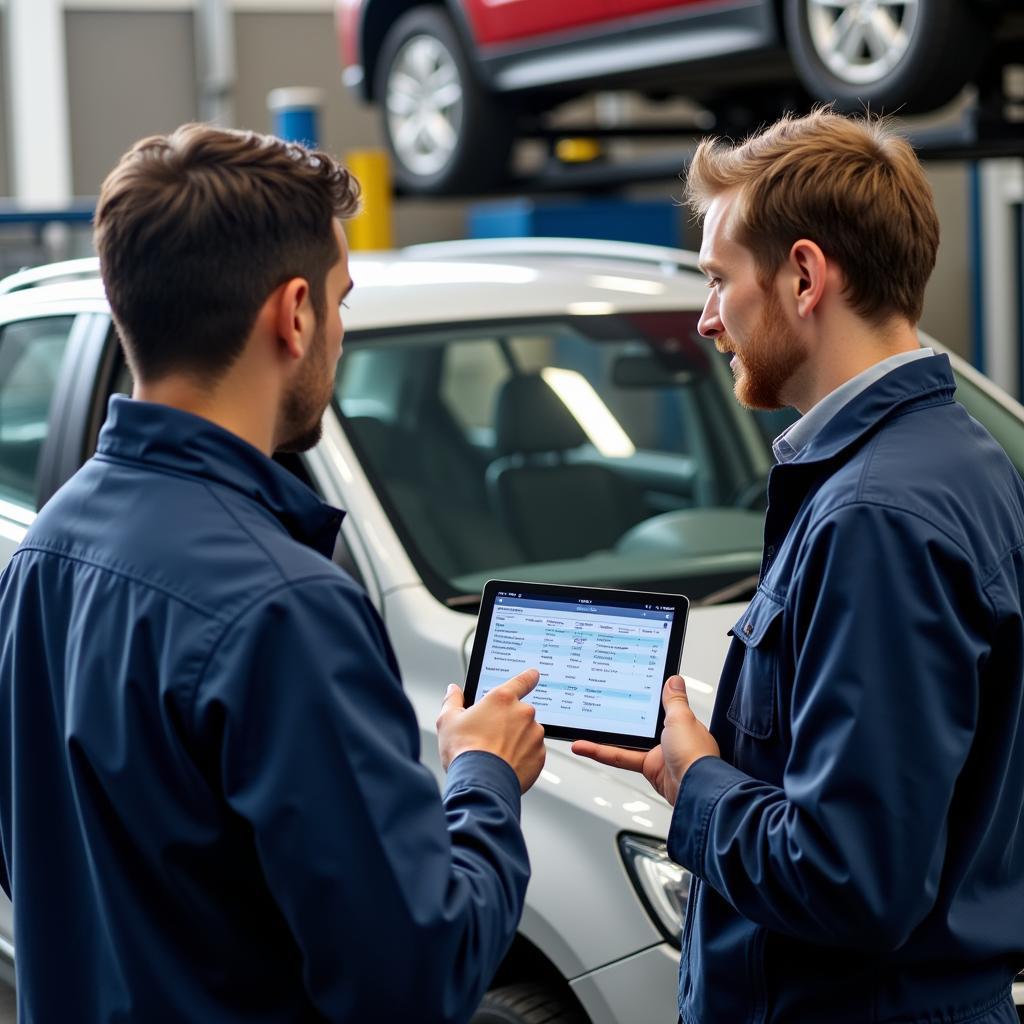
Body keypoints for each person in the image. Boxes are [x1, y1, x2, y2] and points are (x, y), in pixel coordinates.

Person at [0, 125, 546, 1023]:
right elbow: (415, 974)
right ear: (293, 314)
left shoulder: (45, 549)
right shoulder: (285, 608)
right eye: (339, 302)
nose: (339, 331)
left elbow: (35, 864)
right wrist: (483, 775)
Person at [574, 108, 1024, 1023]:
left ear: (806, 275)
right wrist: (697, 764)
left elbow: (853, 878)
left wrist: (700, 783)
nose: (706, 320)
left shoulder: (876, 517)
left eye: (718, 281)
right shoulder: (955, 458)